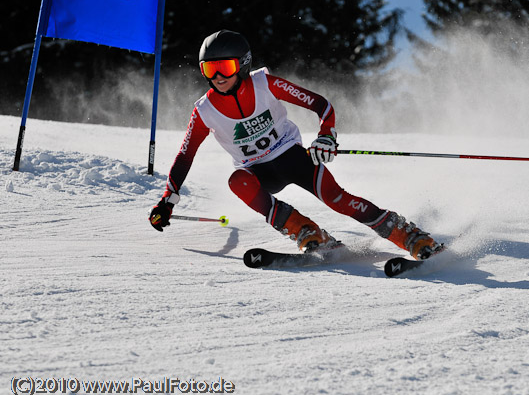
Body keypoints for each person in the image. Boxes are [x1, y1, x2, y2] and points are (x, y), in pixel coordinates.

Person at [149, 30, 442, 259]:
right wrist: (168, 199)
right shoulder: (204, 110)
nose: (218, 77)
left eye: (224, 67)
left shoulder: (265, 84)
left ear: (243, 63)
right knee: (237, 181)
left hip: (292, 157)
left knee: (336, 199)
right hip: (256, 171)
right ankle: (305, 230)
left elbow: (321, 105)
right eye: (209, 70)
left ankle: (408, 235)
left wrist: (326, 136)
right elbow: (186, 154)